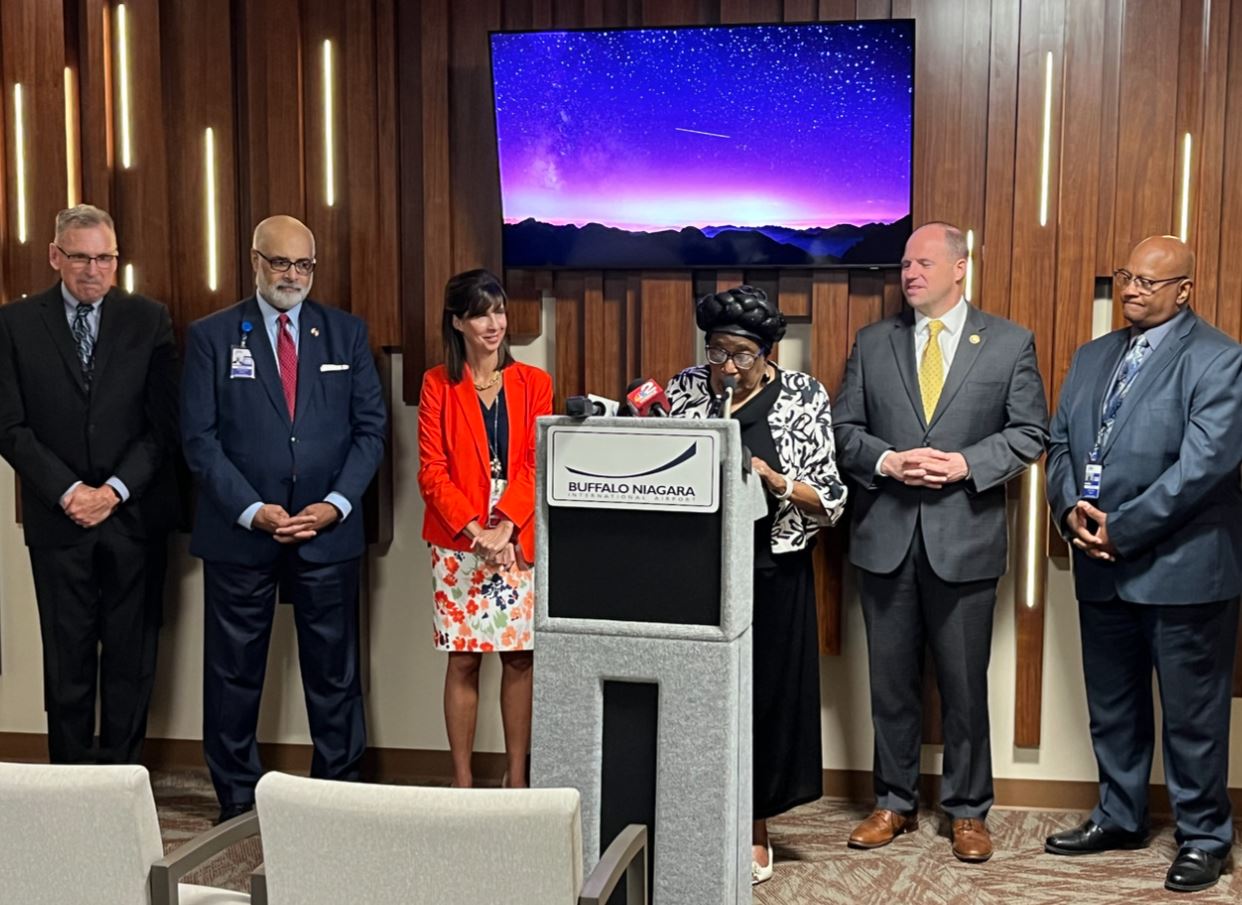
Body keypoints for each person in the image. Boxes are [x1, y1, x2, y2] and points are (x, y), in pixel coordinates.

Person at [832, 221, 1048, 863]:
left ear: (960, 268)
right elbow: (843, 429)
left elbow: (1029, 431)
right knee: (890, 684)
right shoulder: (873, 343)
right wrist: (888, 461)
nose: (909, 273)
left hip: (966, 541)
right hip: (885, 541)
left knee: (962, 684)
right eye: (903, 264)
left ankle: (968, 810)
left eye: (923, 262)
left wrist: (964, 465)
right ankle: (893, 802)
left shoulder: (1009, 343)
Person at [1044, 236, 1242, 893]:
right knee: (1114, 705)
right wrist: (1072, 508)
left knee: (1193, 715)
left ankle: (1205, 836)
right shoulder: (1093, 354)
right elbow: (1060, 440)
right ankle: (1120, 816)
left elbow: (1204, 466)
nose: (1131, 289)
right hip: (1101, 568)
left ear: (1184, 289)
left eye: (1150, 282)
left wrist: (1121, 529)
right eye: (1127, 277)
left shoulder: (1218, 359)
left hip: (1184, 571)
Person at [181, 215, 386, 823]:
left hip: (328, 533)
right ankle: (238, 801)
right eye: (280, 263)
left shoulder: (345, 334)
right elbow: (199, 439)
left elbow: (371, 432)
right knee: (233, 676)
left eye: (303, 265)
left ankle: (336, 797)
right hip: (241, 534)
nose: (292, 276)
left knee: (335, 677)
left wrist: (334, 506)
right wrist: (252, 511)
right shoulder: (213, 337)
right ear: (255, 261)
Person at [666, 285, 847, 885]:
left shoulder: (802, 395)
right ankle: (689, 817)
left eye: (742, 355)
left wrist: (776, 481)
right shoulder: (687, 389)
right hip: (696, 568)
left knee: (764, 697)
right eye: (717, 352)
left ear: (770, 352)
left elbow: (831, 498)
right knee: (696, 698)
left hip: (773, 566)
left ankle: (755, 823)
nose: (727, 368)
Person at [0, 205, 178, 765]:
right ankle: (71, 783)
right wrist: (69, 491)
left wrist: (114, 490)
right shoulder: (16, 324)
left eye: (105, 258)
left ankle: (124, 779)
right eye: (81, 257)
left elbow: (162, 426)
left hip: (132, 518)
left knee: (131, 656)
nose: (93, 269)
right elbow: (9, 426)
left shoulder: (149, 319)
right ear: (55, 256)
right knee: (67, 656)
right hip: (58, 520)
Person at [417, 269, 552, 789]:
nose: (493, 323)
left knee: (520, 656)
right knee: (464, 659)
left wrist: (507, 527)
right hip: (459, 535)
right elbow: (431, 470)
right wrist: (477, 530)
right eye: (479, 313)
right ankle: (462, 783)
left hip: (516, 532)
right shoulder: (437, 385)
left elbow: (535, 464)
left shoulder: (533, 383)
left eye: (498, 311)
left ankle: (517, 779)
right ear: (457, 322)